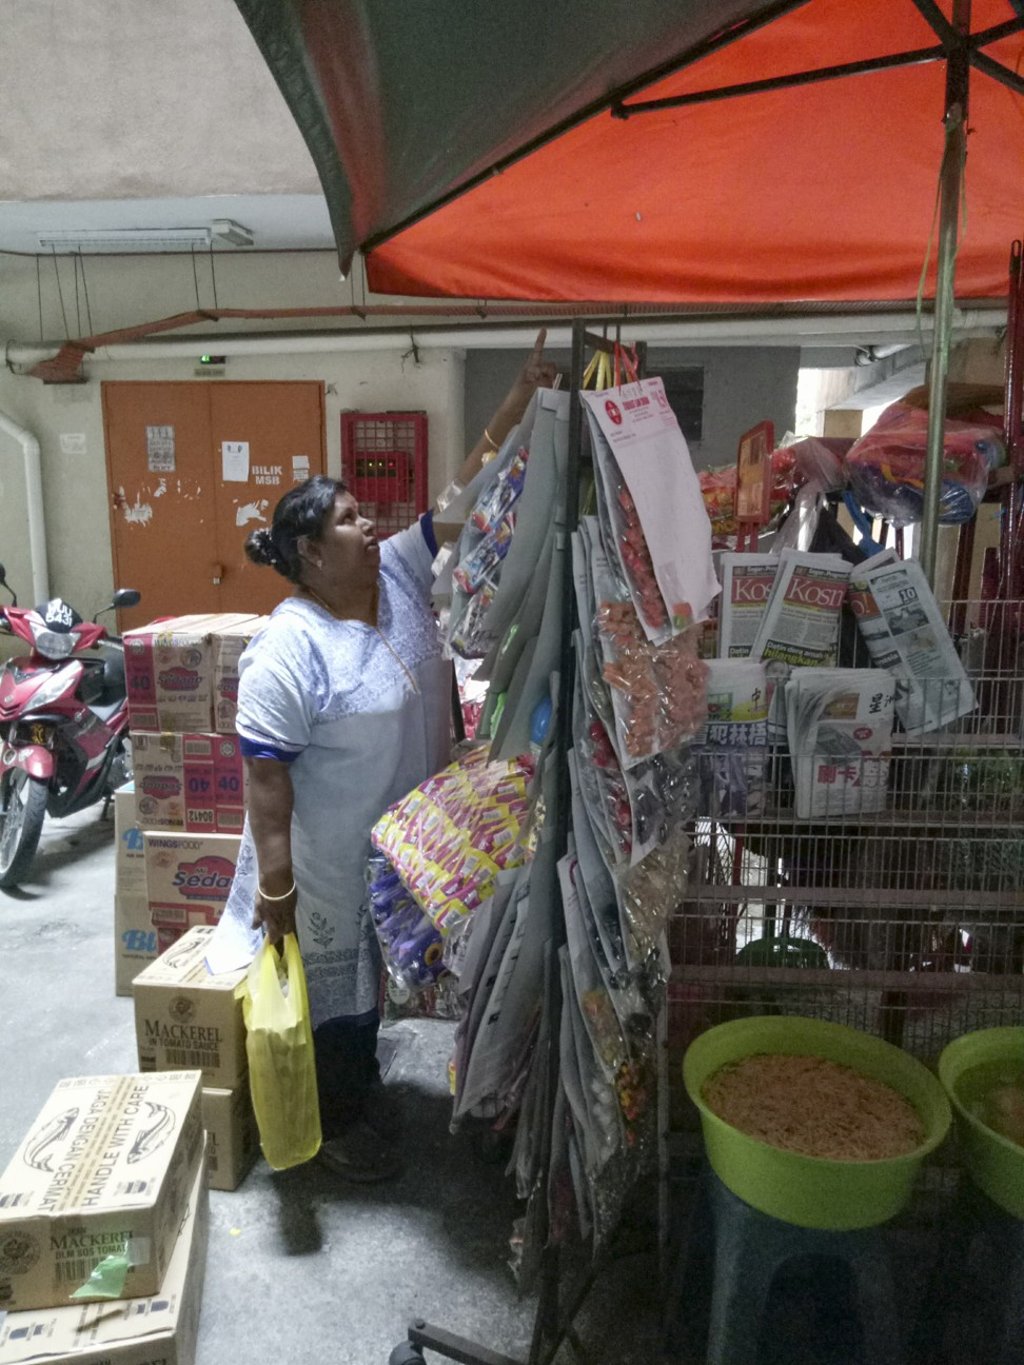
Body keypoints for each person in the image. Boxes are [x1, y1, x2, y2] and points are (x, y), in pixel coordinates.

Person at [208, 331, 557, 1182]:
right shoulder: (287, 649)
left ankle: (357, 1095)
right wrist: (277, 890)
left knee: (371, 987)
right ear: (308, 553)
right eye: (347, 520)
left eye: (364, 514)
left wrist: (517, 399)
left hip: (398, 851)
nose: (369, 526)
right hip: (324, 863)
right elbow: (265, 779)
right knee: (334, 997)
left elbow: (463, 493)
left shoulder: (398, 574)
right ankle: (332, 1128)